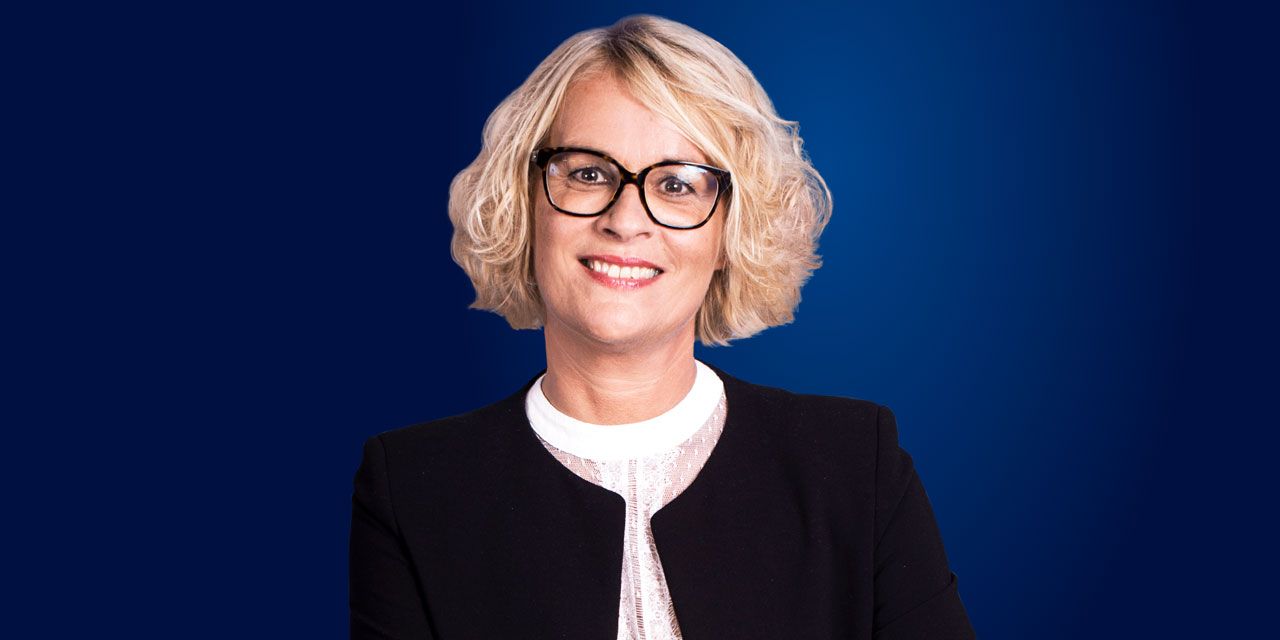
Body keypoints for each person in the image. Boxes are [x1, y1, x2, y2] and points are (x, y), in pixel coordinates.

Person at [350, 14, 975, 639]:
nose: (625, 221)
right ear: (525, 203)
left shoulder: (855, 466)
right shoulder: (414, 490)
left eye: (677, 184)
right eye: (587, 173)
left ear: (732, 230)